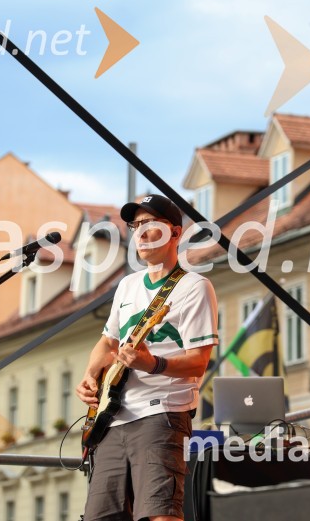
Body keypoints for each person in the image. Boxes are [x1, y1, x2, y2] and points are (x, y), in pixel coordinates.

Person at [76, 194, 219, 521]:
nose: (140, 233)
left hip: (162, 414)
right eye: (135, 225)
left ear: (175, 232)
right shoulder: (127, 286)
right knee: (100, 516)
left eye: (151, 225)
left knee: (160, 513)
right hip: (114, 418)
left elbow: (199, 361)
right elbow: (107, 342)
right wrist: (89, 376)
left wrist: (152, 363)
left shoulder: (194, 287)